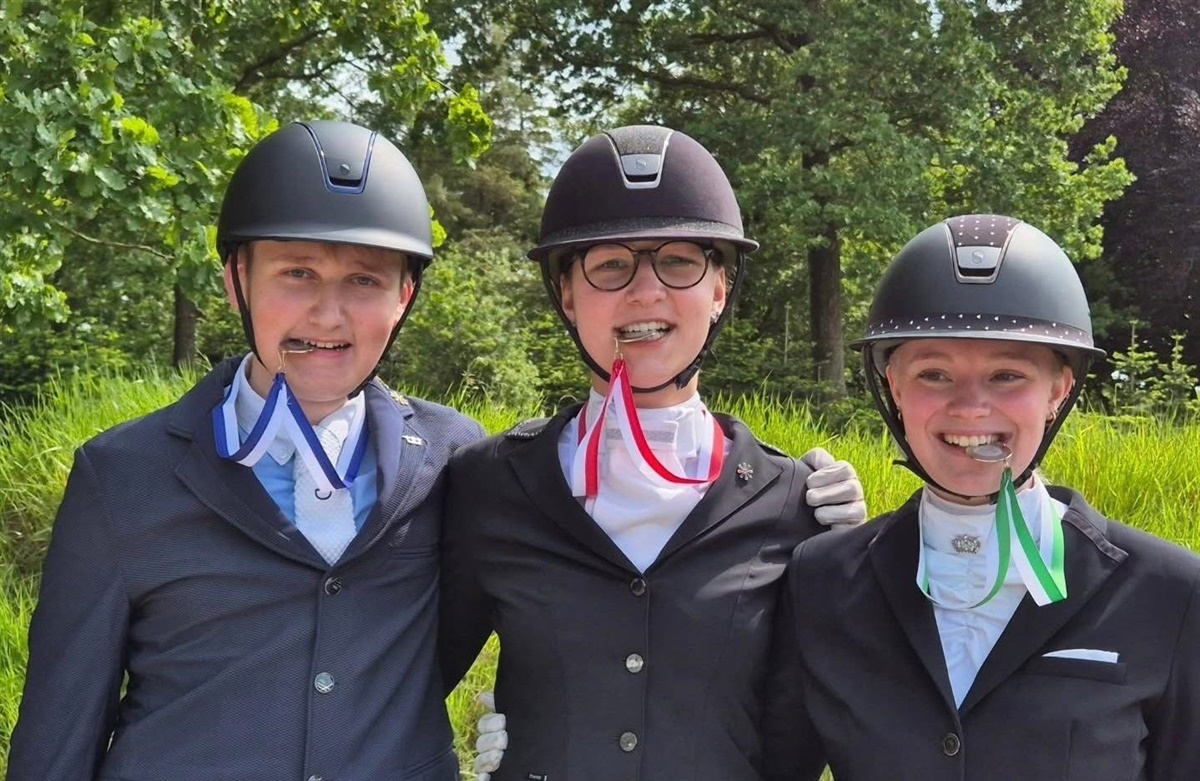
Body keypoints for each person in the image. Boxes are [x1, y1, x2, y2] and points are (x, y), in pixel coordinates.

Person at [8, 120, 484, 781]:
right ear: (237, 280)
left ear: (404, 296)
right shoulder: (122, 474)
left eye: (364, 280)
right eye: (297, 273)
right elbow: (59, 730)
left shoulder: (455, 457)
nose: (328, 315)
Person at [437, 124, 867, 781]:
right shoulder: (490, 483)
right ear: (567, 292)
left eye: (679, 261)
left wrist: (858, 566)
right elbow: (399, 680)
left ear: (719, 289)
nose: (645, 291)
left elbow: (799, 740)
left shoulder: (790, 504)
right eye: (611, 264)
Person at [766, 214, 1200, 780]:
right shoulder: (822, 580)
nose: (970, 407)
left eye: (1006, 376)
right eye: (934, 375)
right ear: (894, 387)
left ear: (1059, 389)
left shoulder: (1171, 593)